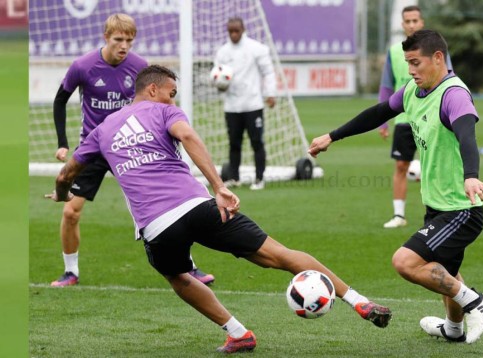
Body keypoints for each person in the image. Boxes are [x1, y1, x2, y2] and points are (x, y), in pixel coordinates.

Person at [46, 65, 392, 353]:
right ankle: (358, 301)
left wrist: (62, 193)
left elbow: (68, 172)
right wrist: (219, 186)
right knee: (279, 254)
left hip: (157, 226)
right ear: (152, 90)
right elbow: (190, 137)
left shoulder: (104, 129)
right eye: (171, 92)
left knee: (178, 276)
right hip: (200, 206)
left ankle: (238, 332)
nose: (173, 98)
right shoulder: (164, 111)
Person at [308, 30, 483, 344]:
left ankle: (475, 303)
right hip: (437, 205)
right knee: (445, 272)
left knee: (405, 262)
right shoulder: (411, 92)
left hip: (461, 209)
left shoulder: (453, 94)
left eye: (416, 62)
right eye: (407, 63)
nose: (410, 70)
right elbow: (378, 113)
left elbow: (466, 136)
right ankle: (454, 329)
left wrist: (471, 174)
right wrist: (332, 136)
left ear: (437, 58)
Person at [50, 14, 214, 287]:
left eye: (129, 40)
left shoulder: (140, 67)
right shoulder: (83, 66)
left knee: (168, 207)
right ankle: (70, 272)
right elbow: (59, 100)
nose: (124, 45)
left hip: (132, 144)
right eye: (118, 39)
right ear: (106, 38)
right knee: (70, 212)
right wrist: (62, 142)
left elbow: (159, 101)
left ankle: (191, 267)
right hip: (94, 147)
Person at [378, 5, 452, 229]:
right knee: (401, 165)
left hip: (431, 116)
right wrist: (383, 121)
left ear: (421, 22)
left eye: (414, 20)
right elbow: (386, 86)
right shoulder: (393, 51)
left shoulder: (435, 50)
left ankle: (438, 212)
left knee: (435, 165)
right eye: (407, 21)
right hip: (404, 118)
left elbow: (449, 79)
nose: (411, 24)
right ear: (402, 25)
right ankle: (399, 215)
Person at [214, 17, 276, 191]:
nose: (234, 34)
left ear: (243, 30)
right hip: (232, 106)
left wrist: (270, 93)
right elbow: (217, 76)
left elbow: (268, 72)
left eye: (236, 31)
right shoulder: (223, 52)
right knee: (234, 143)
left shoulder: (257, 49)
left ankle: (259, 178)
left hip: (253, 104)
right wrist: (220, 85)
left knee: (257, 142)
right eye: (230, 31)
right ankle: (234, 178)